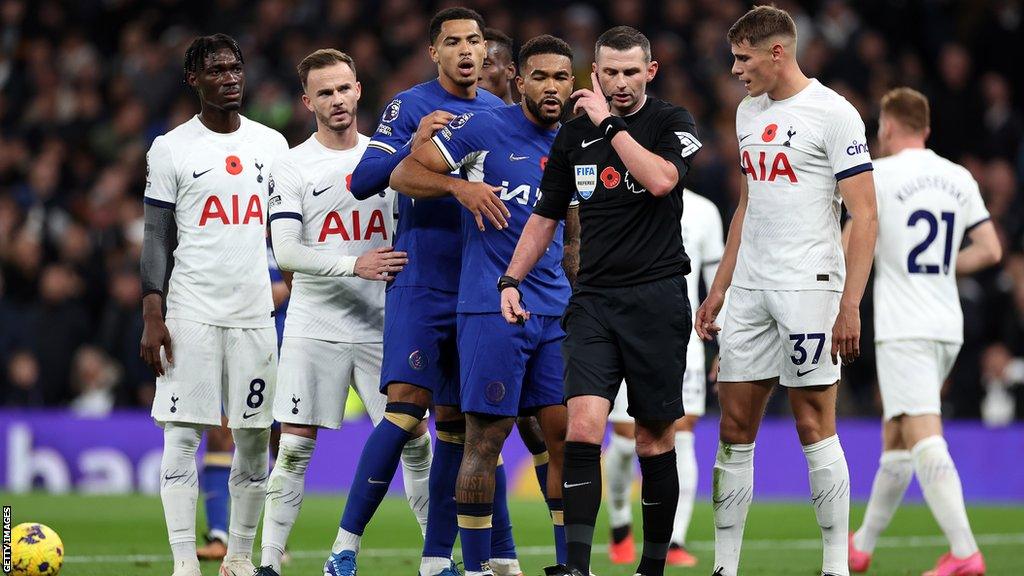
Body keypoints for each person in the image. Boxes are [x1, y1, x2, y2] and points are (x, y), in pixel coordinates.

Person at [500, 25, 702, 576]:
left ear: (650, 72)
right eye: (609, 72)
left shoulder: (671, 123)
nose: (619, 82)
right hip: (592, 299)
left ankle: (652, 566)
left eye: (630, 72)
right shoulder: (572, 137)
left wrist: (609, 126)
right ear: (596, 73)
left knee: (654, 438)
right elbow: (545, 216)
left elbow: (661, 180)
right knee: (583, 427)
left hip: (657, 299)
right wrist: (510, 280)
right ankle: (576, 566)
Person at [326, 8, 519, 576]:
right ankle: (345, 545)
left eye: (475, 41)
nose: (466, 51)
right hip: (422, 281)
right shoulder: (409, 106)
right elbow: (363, 182)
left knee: (460, 428)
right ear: (434, 52)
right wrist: (418, 146)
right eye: (453, 42)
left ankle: (436, 561)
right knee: (406, 411)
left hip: (479, 287)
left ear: (487, 52)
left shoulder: (500, 114)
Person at [693, 6, 878, 576]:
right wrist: (720, 287)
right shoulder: (748, 112)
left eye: (743, 58)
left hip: (809, 286)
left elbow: (865, 215)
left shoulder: (834, 113)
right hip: (751, 286)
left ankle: (833, 566)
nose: (734, 69)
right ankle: (726, 567)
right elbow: (748, 205)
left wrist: (849, 303)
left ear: (777, 53)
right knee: (733, 427)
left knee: (812, 425)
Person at [392, 34, 577, 575]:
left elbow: (575, 228)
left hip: (555, 310)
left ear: (573, 83)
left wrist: (579, 294)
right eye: (539, 76)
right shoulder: (483, 128)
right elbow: (403, 173)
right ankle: (474, 569)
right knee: (485, 440)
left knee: (563, 438)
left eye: (560, 77)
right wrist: (460, 189)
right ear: (519, 80)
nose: (549, 87)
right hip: (489, 307)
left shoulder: (574, 142)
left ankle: (569, 564)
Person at [250, 48, 430, 576]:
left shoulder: (390, 159)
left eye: (343, 88)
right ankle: (268, 563)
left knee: (416, 444)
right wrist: (358, 265)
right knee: (295, 450)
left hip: (384, 326)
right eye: (324, 92)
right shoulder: (291, 165)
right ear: (308, 101)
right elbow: (286, 251)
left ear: (358, 90)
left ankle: (437, 555)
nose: (336, 100)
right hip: (315, 326)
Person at [140, 33, 289, 576]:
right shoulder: (171, 147)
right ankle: (185, 563)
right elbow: (157, 236)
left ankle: (241, 558)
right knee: (182, 438)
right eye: (217, 69)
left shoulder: (272, 146)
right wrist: (153, 313)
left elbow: (286, 230)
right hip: (190, 314)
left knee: (253, 440)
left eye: (235, 68)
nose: (229, 77)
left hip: (254, 316)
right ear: (194, 80)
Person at [847, 88, 999, 576]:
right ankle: (862, 545)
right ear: (927, 129)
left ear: (887, 128)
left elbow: (852, 243)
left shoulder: (879, 174)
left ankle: (963, 551)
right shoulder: (959, 176)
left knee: (922, 433)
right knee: (898, 436)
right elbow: (991, 249)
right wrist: (943, 268)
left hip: (904, 325)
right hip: (945, 324)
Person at [604, 187, 723, 568]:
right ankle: (620, 521)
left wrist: (727, 341)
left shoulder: (704, 210)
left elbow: (717, 283)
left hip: (682, 338)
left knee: (683, 435)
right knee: (626, 441)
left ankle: (675, 540)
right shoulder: (620, 194)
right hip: (626, 332)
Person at [477, 25, 557, 506]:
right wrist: (462, 187)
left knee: (542, 428)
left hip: (545, 301)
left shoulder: (564, 141)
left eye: (488, 63)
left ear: (511, 73)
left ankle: (562, 553)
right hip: (476, 299)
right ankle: (490, 557)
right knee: (479, 432)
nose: (476, 71)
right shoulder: (473, 133)